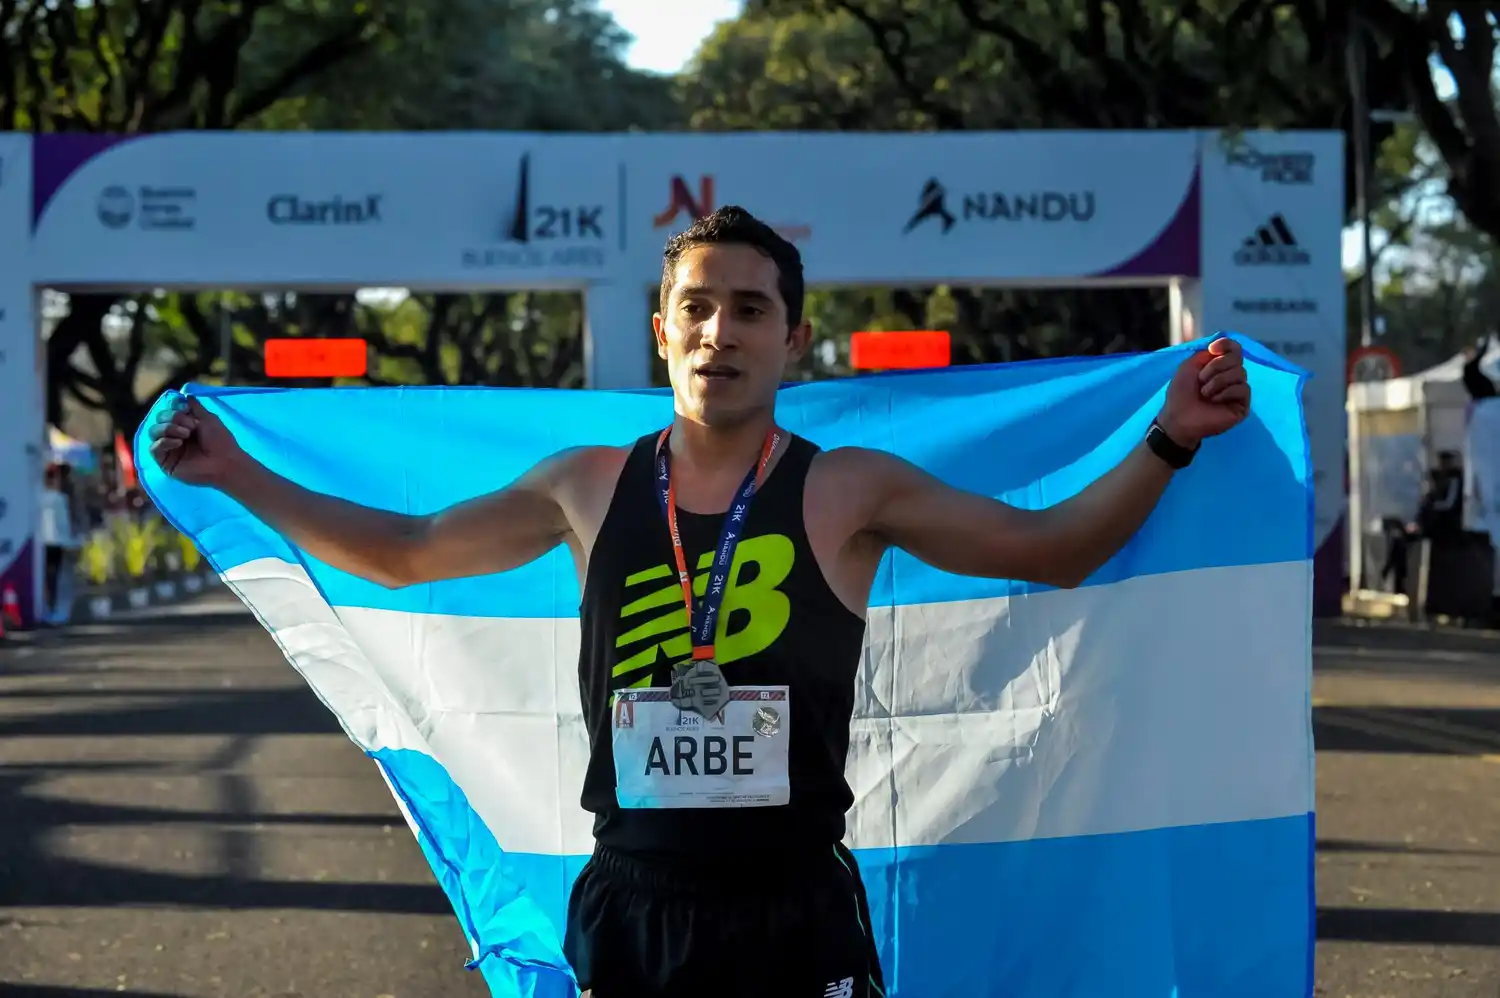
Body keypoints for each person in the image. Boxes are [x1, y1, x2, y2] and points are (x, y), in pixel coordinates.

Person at [148, 206, 1251, 997]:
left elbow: (1051, 548)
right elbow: (404, 551)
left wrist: (1167, 438)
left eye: (750, 310)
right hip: (633, 903)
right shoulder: (584, 484)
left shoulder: (846, 485)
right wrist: (238, 473)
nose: (721, 331)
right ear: (663, 330)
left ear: (791, 339)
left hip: (794, 905)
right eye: (698, 308)